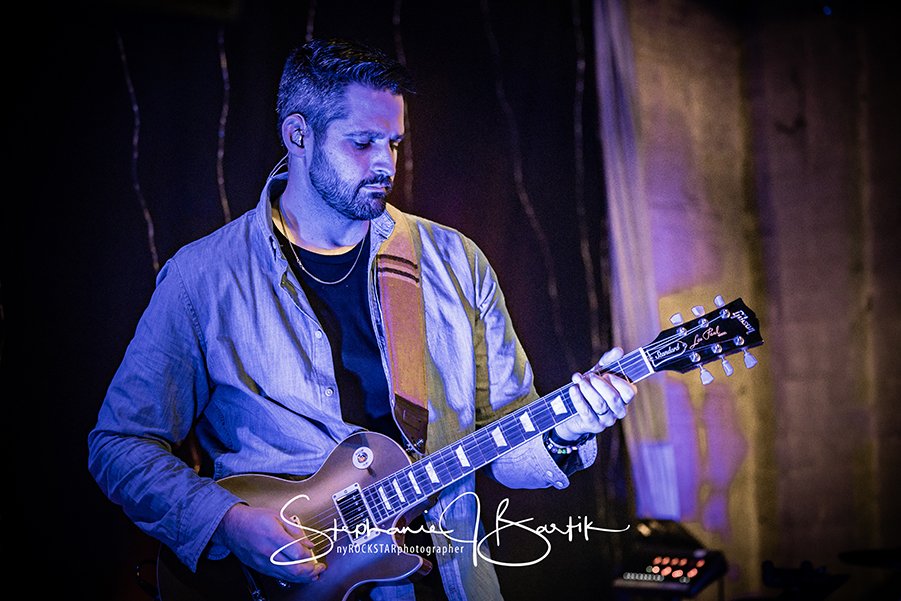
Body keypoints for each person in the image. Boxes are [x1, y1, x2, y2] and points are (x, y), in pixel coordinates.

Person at [87, 37, 637, 601]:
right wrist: (228, 522)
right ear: (298, 136)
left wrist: (567, 429)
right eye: (362, 141)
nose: (386, 163)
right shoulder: (202, 278)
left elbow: (507, 438)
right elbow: (120, 445)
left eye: (393, 142)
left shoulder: (456, 262)